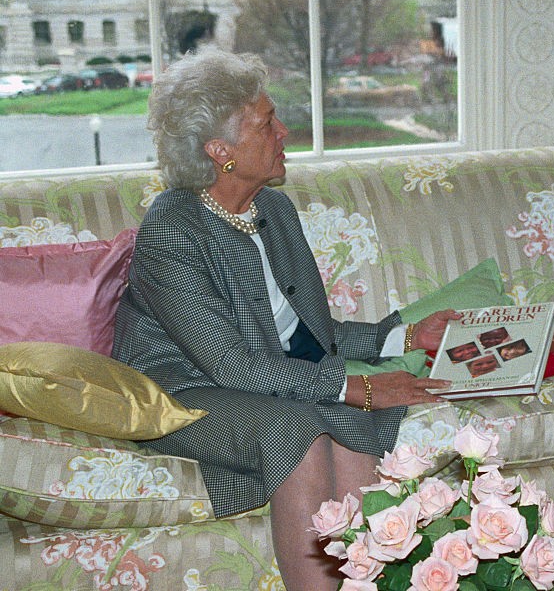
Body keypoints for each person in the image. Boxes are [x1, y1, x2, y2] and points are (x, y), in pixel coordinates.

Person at [112, 46, 456, 591]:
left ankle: (366, 583)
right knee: (297, 425)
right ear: (220, 151)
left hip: (261, 376)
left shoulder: (275, 210)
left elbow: (305, 337)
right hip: (184, 393)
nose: (284, 132)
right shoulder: (172, 230)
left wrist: (404, 334)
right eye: (268, 122)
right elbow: (228, 364)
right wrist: (359, 387)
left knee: (343, 417)